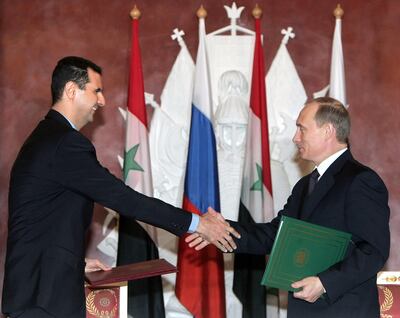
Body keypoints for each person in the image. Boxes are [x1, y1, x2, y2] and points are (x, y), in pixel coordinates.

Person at [1, 56, 239, 318]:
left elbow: (42, 221)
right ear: (71, 90)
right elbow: (124, 199)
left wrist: (73, 264)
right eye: (96, 91)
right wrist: (197, 224)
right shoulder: (65, 144)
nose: (101, 101)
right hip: (44, 301)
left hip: (37, 292)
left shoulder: (47, 138)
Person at [188, 97, 390, 318]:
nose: (295, 138)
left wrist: (325, 283)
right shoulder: (306, 185)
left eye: (302, 129)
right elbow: (276, 235)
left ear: (328, 131)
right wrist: (222, 230)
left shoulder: (361, 180)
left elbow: (373, 251)